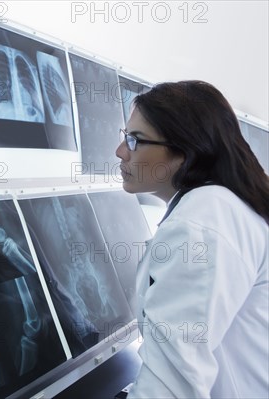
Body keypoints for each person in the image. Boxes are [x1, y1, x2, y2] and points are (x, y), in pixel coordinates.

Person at [115, 80, 269, 398]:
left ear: (184, 153)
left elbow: (172, 385)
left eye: (134, 141)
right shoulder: (226, 205)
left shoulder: (201, 222)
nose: (120, 152)